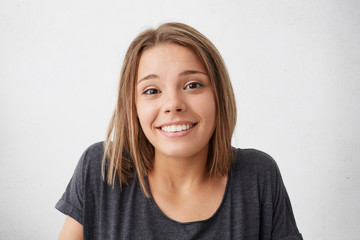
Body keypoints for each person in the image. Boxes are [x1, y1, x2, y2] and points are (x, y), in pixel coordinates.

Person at [56, 22, 303, 240]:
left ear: (219, 96)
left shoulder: (258, 174)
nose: (173, 104)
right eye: (152, 90)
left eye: (193, 85)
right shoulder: (103, 168)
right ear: (133, 106)